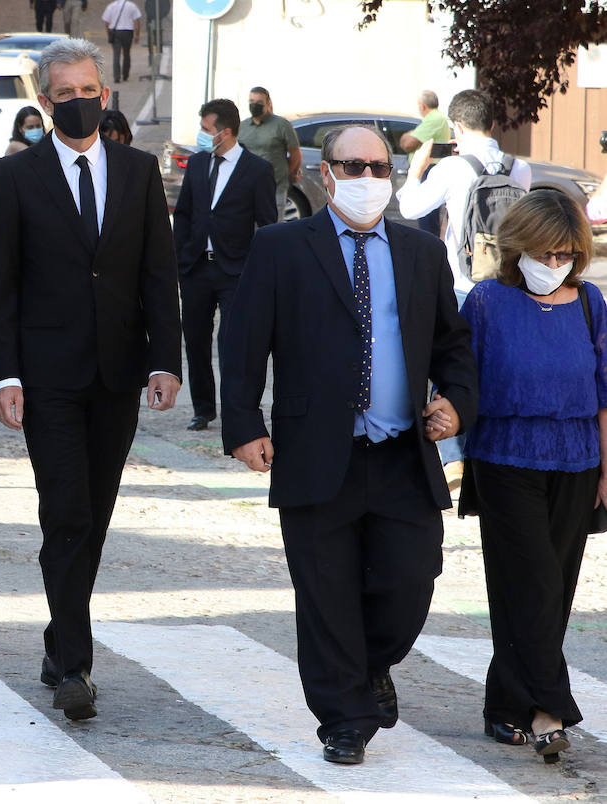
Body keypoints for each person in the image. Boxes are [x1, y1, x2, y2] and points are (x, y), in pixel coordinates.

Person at [220, 124, 477, 765]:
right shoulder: (282, 247)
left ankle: (370, 664)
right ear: (323, 173)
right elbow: (244, 341)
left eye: (378, 166)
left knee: (410, 581)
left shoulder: (420, 252)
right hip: (315, 449)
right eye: (352, 166)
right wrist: (244, 425)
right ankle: (344, 719)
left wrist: (455, 402)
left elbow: (453, 346)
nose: (367, 178)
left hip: (401, 452)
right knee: (325, 592)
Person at [0, 38, 182, 721]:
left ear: (105, 92)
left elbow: (159, 272)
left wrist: (166, 359)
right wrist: (3, 374)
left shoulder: (136, 170)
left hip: (118, 372)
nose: (77, 102)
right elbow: (2, 286)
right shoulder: (17, 178)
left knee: (92, 516)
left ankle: (57, 634)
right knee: (65, 510)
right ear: (45, 102)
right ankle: (74, 664)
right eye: (62, 93)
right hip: (47, 378)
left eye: (86, 90)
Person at [459, 190, 603, 763]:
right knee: (531, 581)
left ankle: (504, 705)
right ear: (517, 247)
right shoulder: (487, 301)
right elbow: (461, 381)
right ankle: (550, 709)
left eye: (567, 253)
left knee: (551, 591)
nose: (555, 263)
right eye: (544, 252)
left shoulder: (592, 303)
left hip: (576, 460)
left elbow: (606, 396)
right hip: (504, 458)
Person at [173, 99, 275, 432]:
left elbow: (268, 225)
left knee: (232, 344)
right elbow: (184, 213)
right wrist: (181, 256)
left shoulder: (256, 170)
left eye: (206, 130)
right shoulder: (198, 163)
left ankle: (236, 408)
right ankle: (203, 409)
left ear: (225, 132)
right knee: (196, 341)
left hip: (236, 271)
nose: (202, 136)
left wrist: (259, 271)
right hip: (197, 268)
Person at [397, 88, 531, 292]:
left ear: (458, 128)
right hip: (509, 279)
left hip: (466, 282)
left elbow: (409, 209)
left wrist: (415, 172)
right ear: (492, 125)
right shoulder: (520, 168)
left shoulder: (452, 167)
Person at [237, 87, 302, 220]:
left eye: (259, 102)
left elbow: (295, 154)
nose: (254, 105)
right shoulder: (242, 127)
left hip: (275, 187)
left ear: (268, 104)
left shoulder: (281, 125)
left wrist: (289, 174)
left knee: (272, 227)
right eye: (251, 101)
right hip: (248, 186)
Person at [397, 90, 451, 237]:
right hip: (429, 168)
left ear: (421, 105)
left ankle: (430, 253)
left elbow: (407, 143)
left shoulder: (434, 119)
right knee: (427, 218)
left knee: (426, 218)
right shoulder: (434, 119)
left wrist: (409, 135)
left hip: (428, 168)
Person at [102, 0, 141, 83]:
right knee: (126, 54)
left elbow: (106, 22)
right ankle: (125, 75)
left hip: (115, 32)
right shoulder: (132, 6)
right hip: (128, 31)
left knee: (116, 55)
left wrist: (109, 34)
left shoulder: (111, 6)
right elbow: (137, 21)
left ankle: (117, 77)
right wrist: (137, 35)